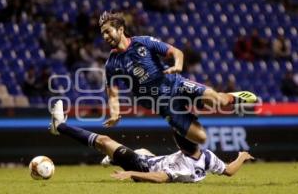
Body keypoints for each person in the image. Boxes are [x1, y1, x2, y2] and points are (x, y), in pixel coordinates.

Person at [99, 11, 257, 145]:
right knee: (201, 139)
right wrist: (114, 114)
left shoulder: (144, 42)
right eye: (103, 34)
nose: (105, 37)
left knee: (219, 102)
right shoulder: (111, 64)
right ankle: (187, 120)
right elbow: (113, 95)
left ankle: (233, 97)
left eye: (108, 31)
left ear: (120, 29)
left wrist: (178, 65)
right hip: (162, 104)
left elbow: (176, 52)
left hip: (176, 85)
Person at [49, 100, 254, 183]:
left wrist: (131, 173)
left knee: (104, 140)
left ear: (179, 146)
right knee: (144, 149)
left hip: (143, 167)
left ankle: (60, 127)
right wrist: (242, 156)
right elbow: (228, 170)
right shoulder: (207, 156)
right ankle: (112, 159)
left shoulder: (183, 166)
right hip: (153, 159)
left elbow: (160, 178)